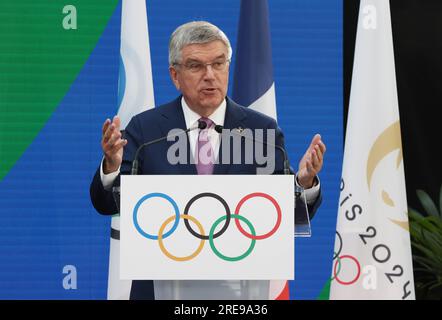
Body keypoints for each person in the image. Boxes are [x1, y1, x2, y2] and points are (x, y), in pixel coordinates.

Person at [90, 21, 326, 300]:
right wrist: (112, 166)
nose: (210, 76)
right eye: (196, 66)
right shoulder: (146, 130)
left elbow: (285, 214)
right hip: (161, 287)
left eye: (218, 64)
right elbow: (107, 205)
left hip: (239, 292)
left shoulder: (261, 131)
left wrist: (304, 182)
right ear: (175, 75)